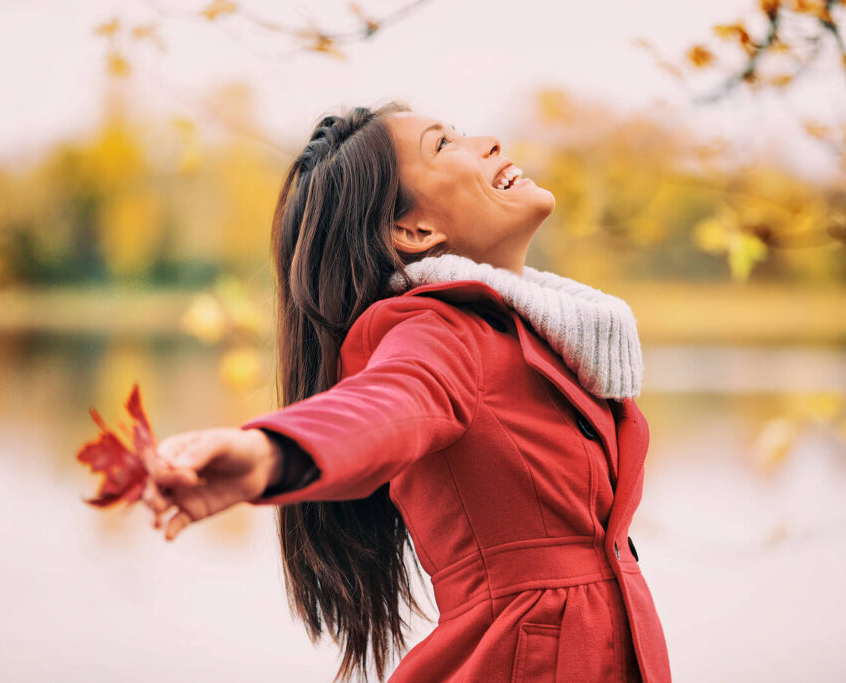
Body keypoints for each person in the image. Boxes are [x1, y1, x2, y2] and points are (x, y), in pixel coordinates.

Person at [141, 102, 672, 682]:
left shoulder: (550, 339)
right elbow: (388, 407)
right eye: (443, 146)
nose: (488, 142)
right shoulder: (438, 333)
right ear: (414, 230)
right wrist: (271, 453)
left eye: (463, 133)